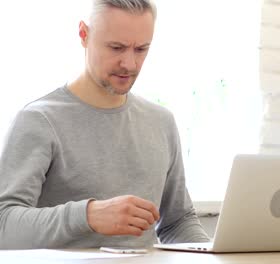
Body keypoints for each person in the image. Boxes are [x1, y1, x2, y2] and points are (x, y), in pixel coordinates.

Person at [0, 0, 210, 249]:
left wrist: (218, 255)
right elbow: (4, 227)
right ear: (84, 35)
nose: (129, 64)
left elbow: (177, 223)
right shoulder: (39, 120)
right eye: (116, 47)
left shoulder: (161, 122)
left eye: (141, 49)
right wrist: (88, 215)